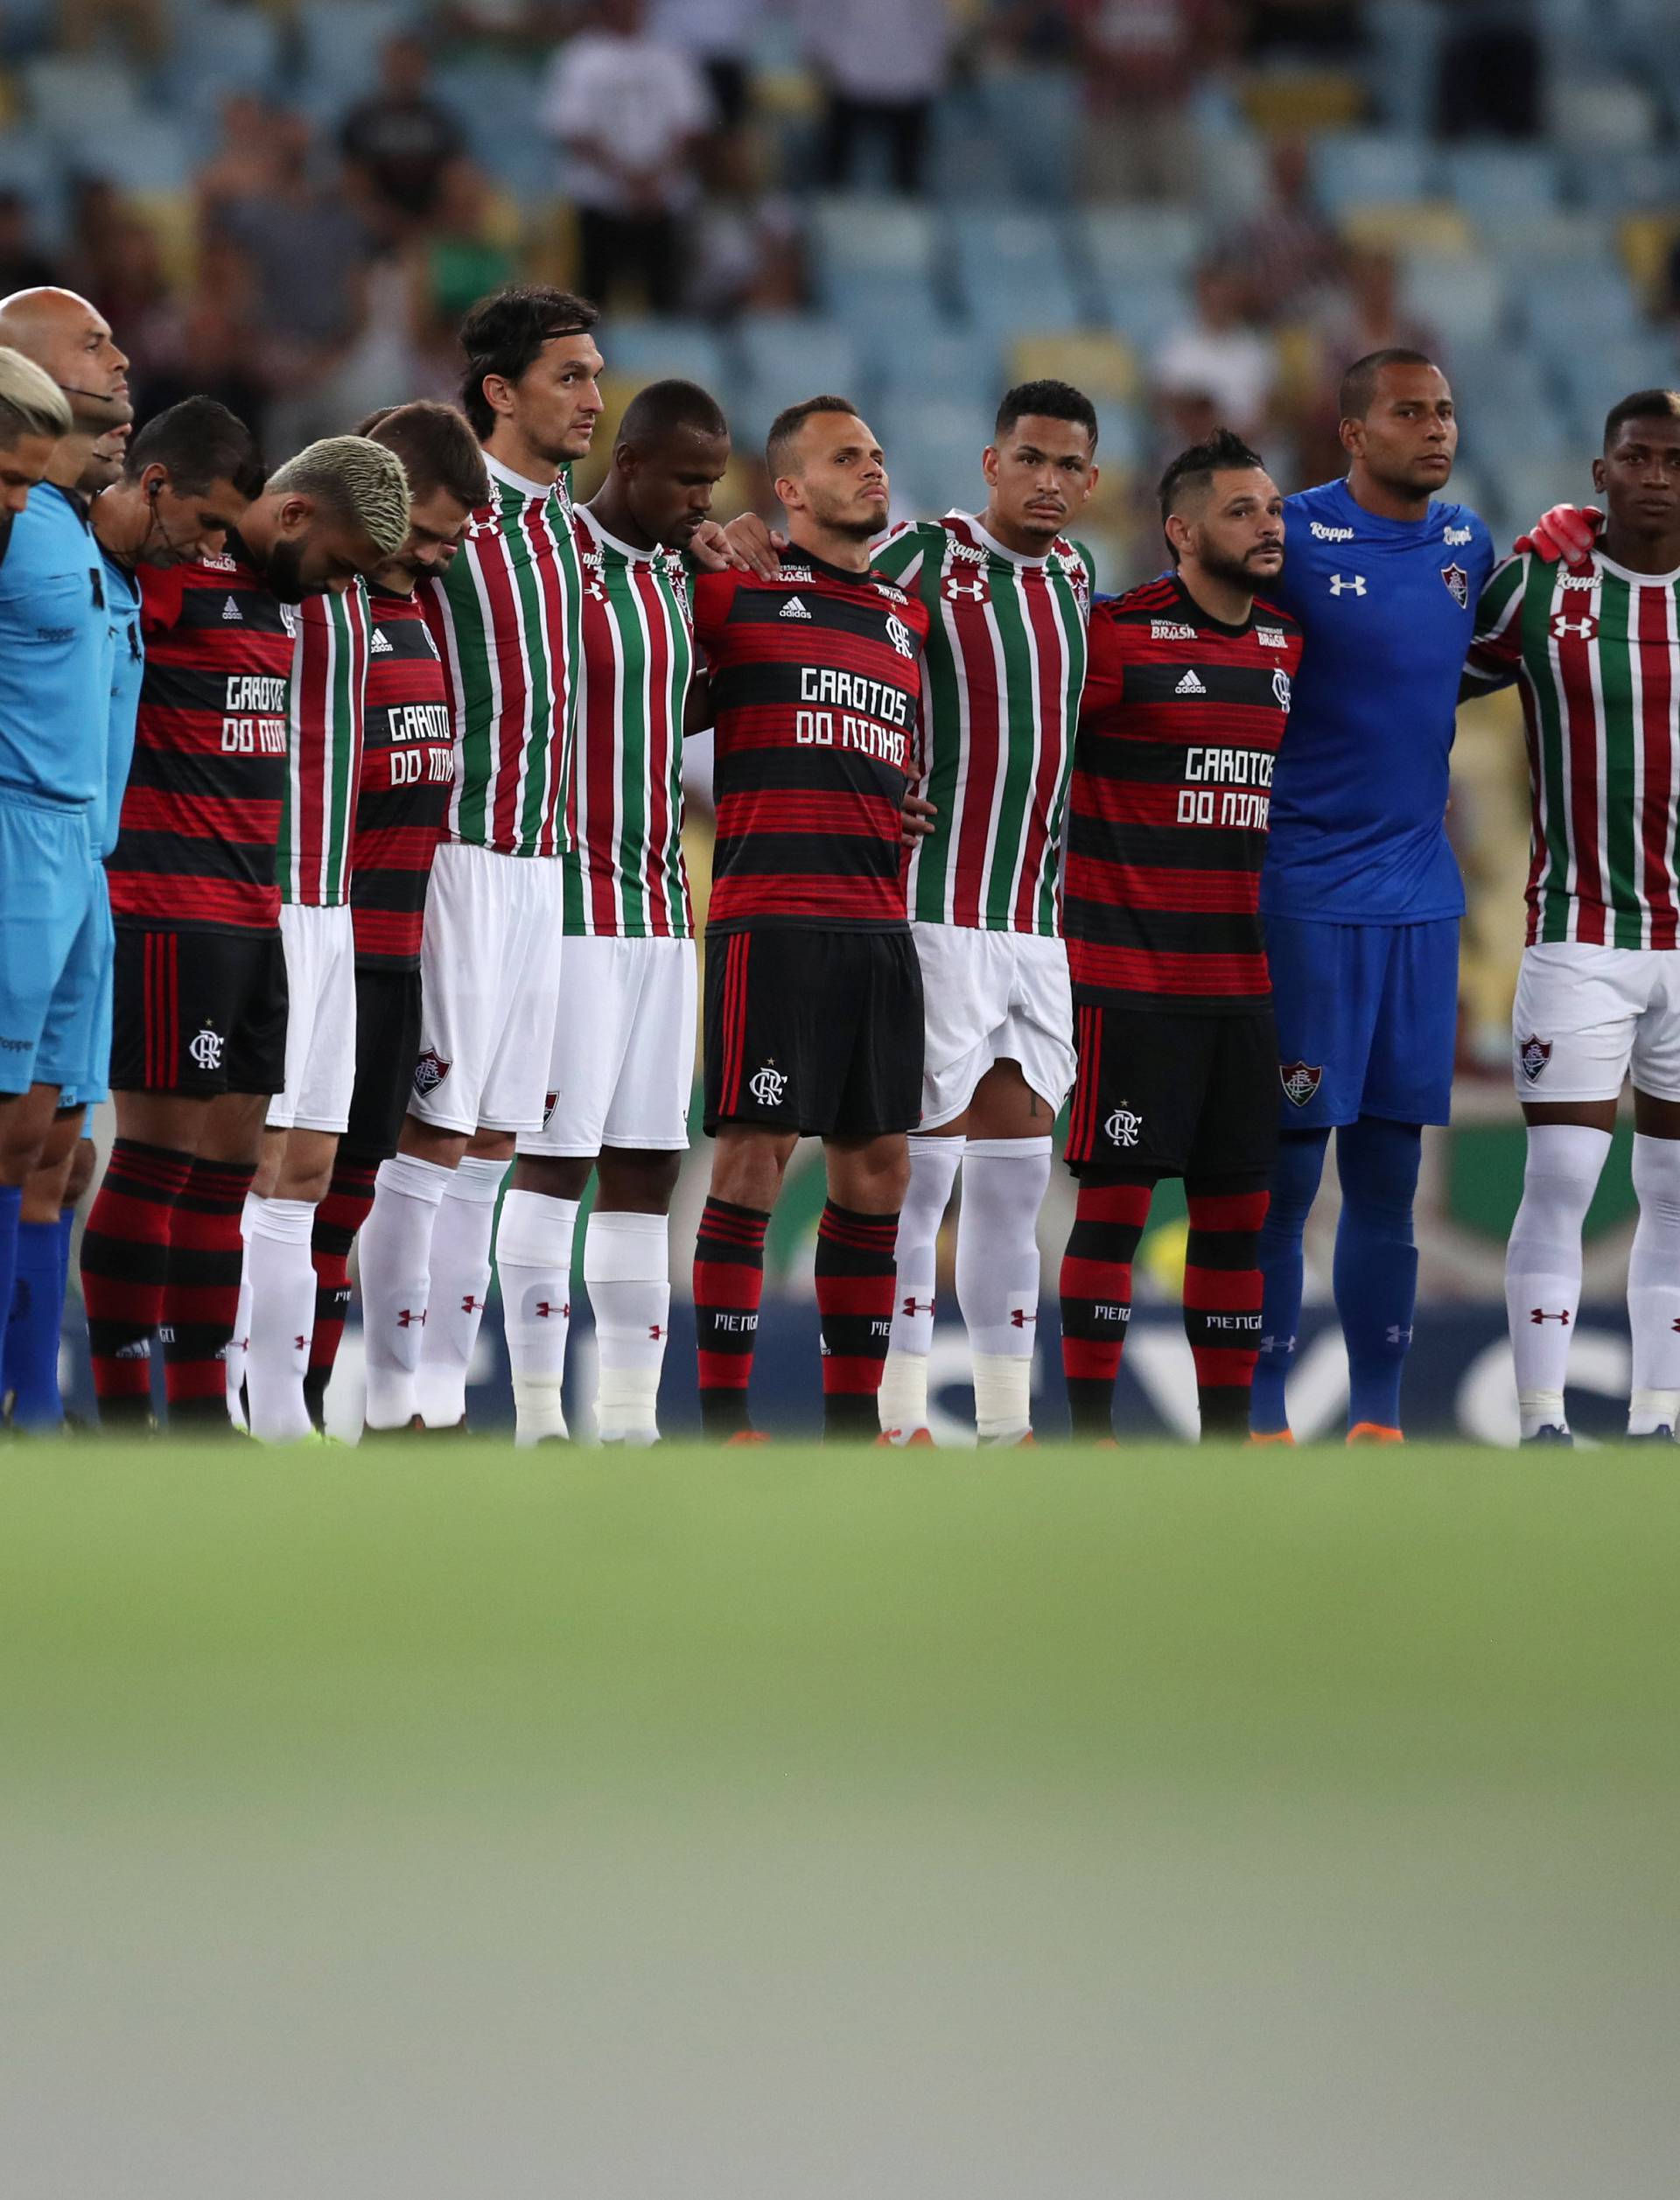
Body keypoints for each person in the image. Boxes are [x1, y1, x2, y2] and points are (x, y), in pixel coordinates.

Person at [80, 435, 411, 1430]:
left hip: (251, 914)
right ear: (299, 515)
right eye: (345, 564)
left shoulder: (286, 593)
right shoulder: (183, 562)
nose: (343, 588)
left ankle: (198, 1422)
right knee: (156, 1157)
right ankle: (127, 1418)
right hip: (164, 902)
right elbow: (115, 532)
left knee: (228, 1176)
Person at [356, 285, 602, 1437]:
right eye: (572, 377)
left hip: (542, 861)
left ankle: (441, 1395)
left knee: (496, 1137)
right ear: (500, 392)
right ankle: (395, 1387)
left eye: (599, 375)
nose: (595, 397)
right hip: (455, 851)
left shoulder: (568, 528)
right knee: (435, 1129)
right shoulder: (448, 512)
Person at [1250, 349, 1495, 1445]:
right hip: (1301, 892)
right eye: (1409, 412)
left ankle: (1380, 1421)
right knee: (1290, 1165)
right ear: (1353, 432)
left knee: (1390, 1170)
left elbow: (1473, 660)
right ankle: (1256, 1414)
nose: (1435, 430)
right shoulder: (1285, 534)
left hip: (1420, 901)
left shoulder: (1466, 544)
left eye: (1444, 411)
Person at [234, 403, 489, 1444]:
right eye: (419, 531)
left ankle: (298, 1409)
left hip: (367, 927)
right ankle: (240, 1404)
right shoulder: (287, 595)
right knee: (265, 1167)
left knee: (332, 1174)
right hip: (283, 909)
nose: (431, 555)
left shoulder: (408, 603)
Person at [4, 402, 259, 1432]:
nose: (211, 548)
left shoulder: (123, 569)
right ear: (154, 485)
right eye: (205, 521)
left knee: (59, 1153)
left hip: (90, 869)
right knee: (18, 1139)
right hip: (26, 843)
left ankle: (33, 1407)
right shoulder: (34, 531)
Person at [688, 396, 930, 1442]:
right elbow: (653, 697)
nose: (873, 470)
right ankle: (729, 1418)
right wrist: (706, 548)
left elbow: (887, 745)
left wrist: (905, 793)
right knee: (755, 1152)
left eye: (877, 453)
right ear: (788, 490)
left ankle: (850, 1429)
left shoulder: (904, 613)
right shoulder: (733, 589)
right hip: (771, 914)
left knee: (879, 1166)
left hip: (879, 919)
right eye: (846, 458)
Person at [864, 380, 1099, 1447]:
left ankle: (1007, 1425)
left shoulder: (1079, 577)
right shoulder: (917, 558)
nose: (1049, 482)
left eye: (1070, 467)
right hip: (934, 912)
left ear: (1092, 482)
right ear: (992, 464)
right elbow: (819, 644)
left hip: (1035, 927)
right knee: (919, 1181)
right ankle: (900, 1413)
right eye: (1032, 460)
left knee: (1015, 1186)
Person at [498, 379, 729, 1447]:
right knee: (557, 1157)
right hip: (571, 905)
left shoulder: (684, 579)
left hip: (661, 903)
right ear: (628, 462)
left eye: (712, 482)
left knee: (647, 1162)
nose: (701, 500)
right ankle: (540, 1415)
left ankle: (629, 1424)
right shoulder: (555, 562)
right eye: (687, 479)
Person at [1059, 431, 1302, 1441]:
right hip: (1128, 972)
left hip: (1239, 982)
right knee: (1115, 1211)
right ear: (1181, 531)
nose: (1269, 526)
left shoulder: (1287, 646)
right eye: (1242, 511)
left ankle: (1226, 1446)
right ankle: (1093, 1440)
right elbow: (1025, 739)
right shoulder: (1117, 634)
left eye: (1275, 509)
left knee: (1238, 1215)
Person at [1463, 389, 1680, 1446]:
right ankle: (1541, 1415)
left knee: (1675, 1191)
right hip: (1579, 931)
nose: (1656, 476)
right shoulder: (1545, 581)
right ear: (1601, 475)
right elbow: (1427, 679)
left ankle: (1659, 1417)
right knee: (1562, 1176)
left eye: (1674, 460)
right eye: (1636, 458)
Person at [539, 0, 712, 311]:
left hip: (661, 200)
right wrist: (626, 177)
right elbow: (573, 130)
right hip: (600, 201)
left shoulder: (671, 54)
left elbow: (691, 126)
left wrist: (654, 177)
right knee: (593, 300)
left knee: (666, 301)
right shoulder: (579, 56)